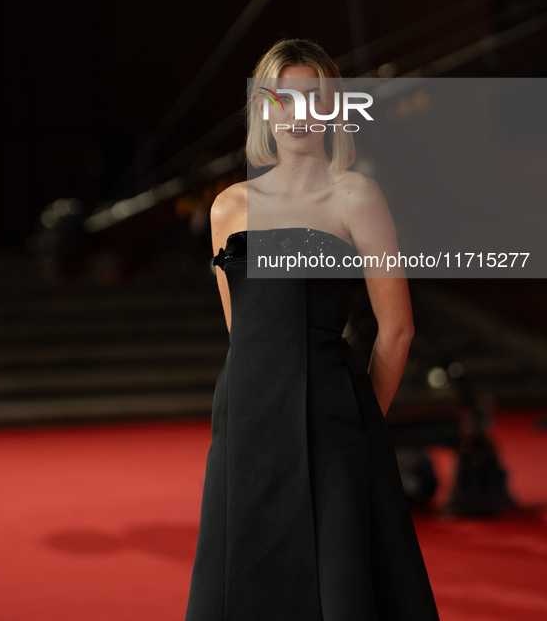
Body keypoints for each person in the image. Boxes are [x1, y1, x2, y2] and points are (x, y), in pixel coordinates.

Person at [185, 38, 439, 621]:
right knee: (241, 577)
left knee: (338, 583)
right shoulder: (229, 206)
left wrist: (353, 420)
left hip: (331, 417)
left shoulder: (356, 197)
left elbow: (396, 329)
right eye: (283, 99)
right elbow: (240, 329)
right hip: (246, 416)